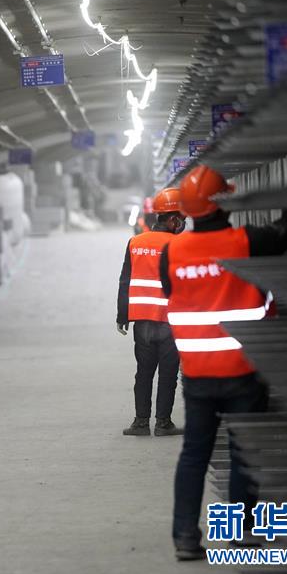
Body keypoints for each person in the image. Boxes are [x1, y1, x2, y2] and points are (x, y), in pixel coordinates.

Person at [161, 165, 287, 560]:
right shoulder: (246, 241)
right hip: (244, 368)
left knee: (194, 454)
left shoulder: (171, 252)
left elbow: (174, 291)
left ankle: (186, 538)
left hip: (197, 372)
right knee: (244, 450)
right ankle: (241, 533)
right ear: (223, 203)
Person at [117, 187, 185, 437]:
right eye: (182, 220)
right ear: (173, 219)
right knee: (168, 374)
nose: (183, 224)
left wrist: (121, 315)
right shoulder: (179, 245)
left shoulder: (135, 242)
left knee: (144, 373)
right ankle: (163, 423)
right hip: (169, 322)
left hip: (142, 322)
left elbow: (125, 280)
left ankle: (140, 422)